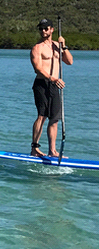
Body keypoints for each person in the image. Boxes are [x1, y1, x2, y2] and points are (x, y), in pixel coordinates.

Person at [29, 18, 73, 157]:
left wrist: (64, 46)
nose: (43, 31)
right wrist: (52, 78)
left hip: (54, 86)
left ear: (52, 29)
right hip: (42, 85)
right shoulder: (37, 48)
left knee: (54, 119)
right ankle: (34, 148)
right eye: (41, 28)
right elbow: (38, 69)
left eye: (45, 28)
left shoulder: (57, 46)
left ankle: (52, 151)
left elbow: (69, 61)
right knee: (42, 116)